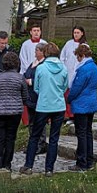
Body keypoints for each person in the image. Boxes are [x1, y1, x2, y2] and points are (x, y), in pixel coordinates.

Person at [20, 42, 68, 176]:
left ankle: (28, 165)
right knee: (54, 138)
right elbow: (65, 86)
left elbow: (36, 88)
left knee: (34, 135)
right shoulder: (63, 68)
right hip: (59, 105)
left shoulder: (41, 68)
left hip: (43, 105)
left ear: (46, 53)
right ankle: (49, 169)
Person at [0, 51, 28, 171]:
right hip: (14, 111)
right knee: (11, 137)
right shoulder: (20, 78)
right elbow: (25, 96)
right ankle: (7, 163)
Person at [66, 43, 97, 172]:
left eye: (78, 57)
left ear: (82, 55)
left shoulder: (83, 69)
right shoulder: (94, 67)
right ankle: (89, 160)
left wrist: (69, 99)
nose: (77, 60)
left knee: (81, 134)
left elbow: (76, 88)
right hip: (91, 103)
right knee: (88, 133)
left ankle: (82, 162)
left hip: (81, 105)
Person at [23, 42, 48, 155]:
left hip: (38, 97)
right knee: (32, 122)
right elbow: (27, 73)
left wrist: (30, 81)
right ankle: (32, 143)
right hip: (30, 97)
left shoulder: (44, 64)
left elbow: (42, 79)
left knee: (40, 122)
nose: (35, 52)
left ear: (42, 52)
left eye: (37, 50)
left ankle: (41, 144)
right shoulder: (33, 63)